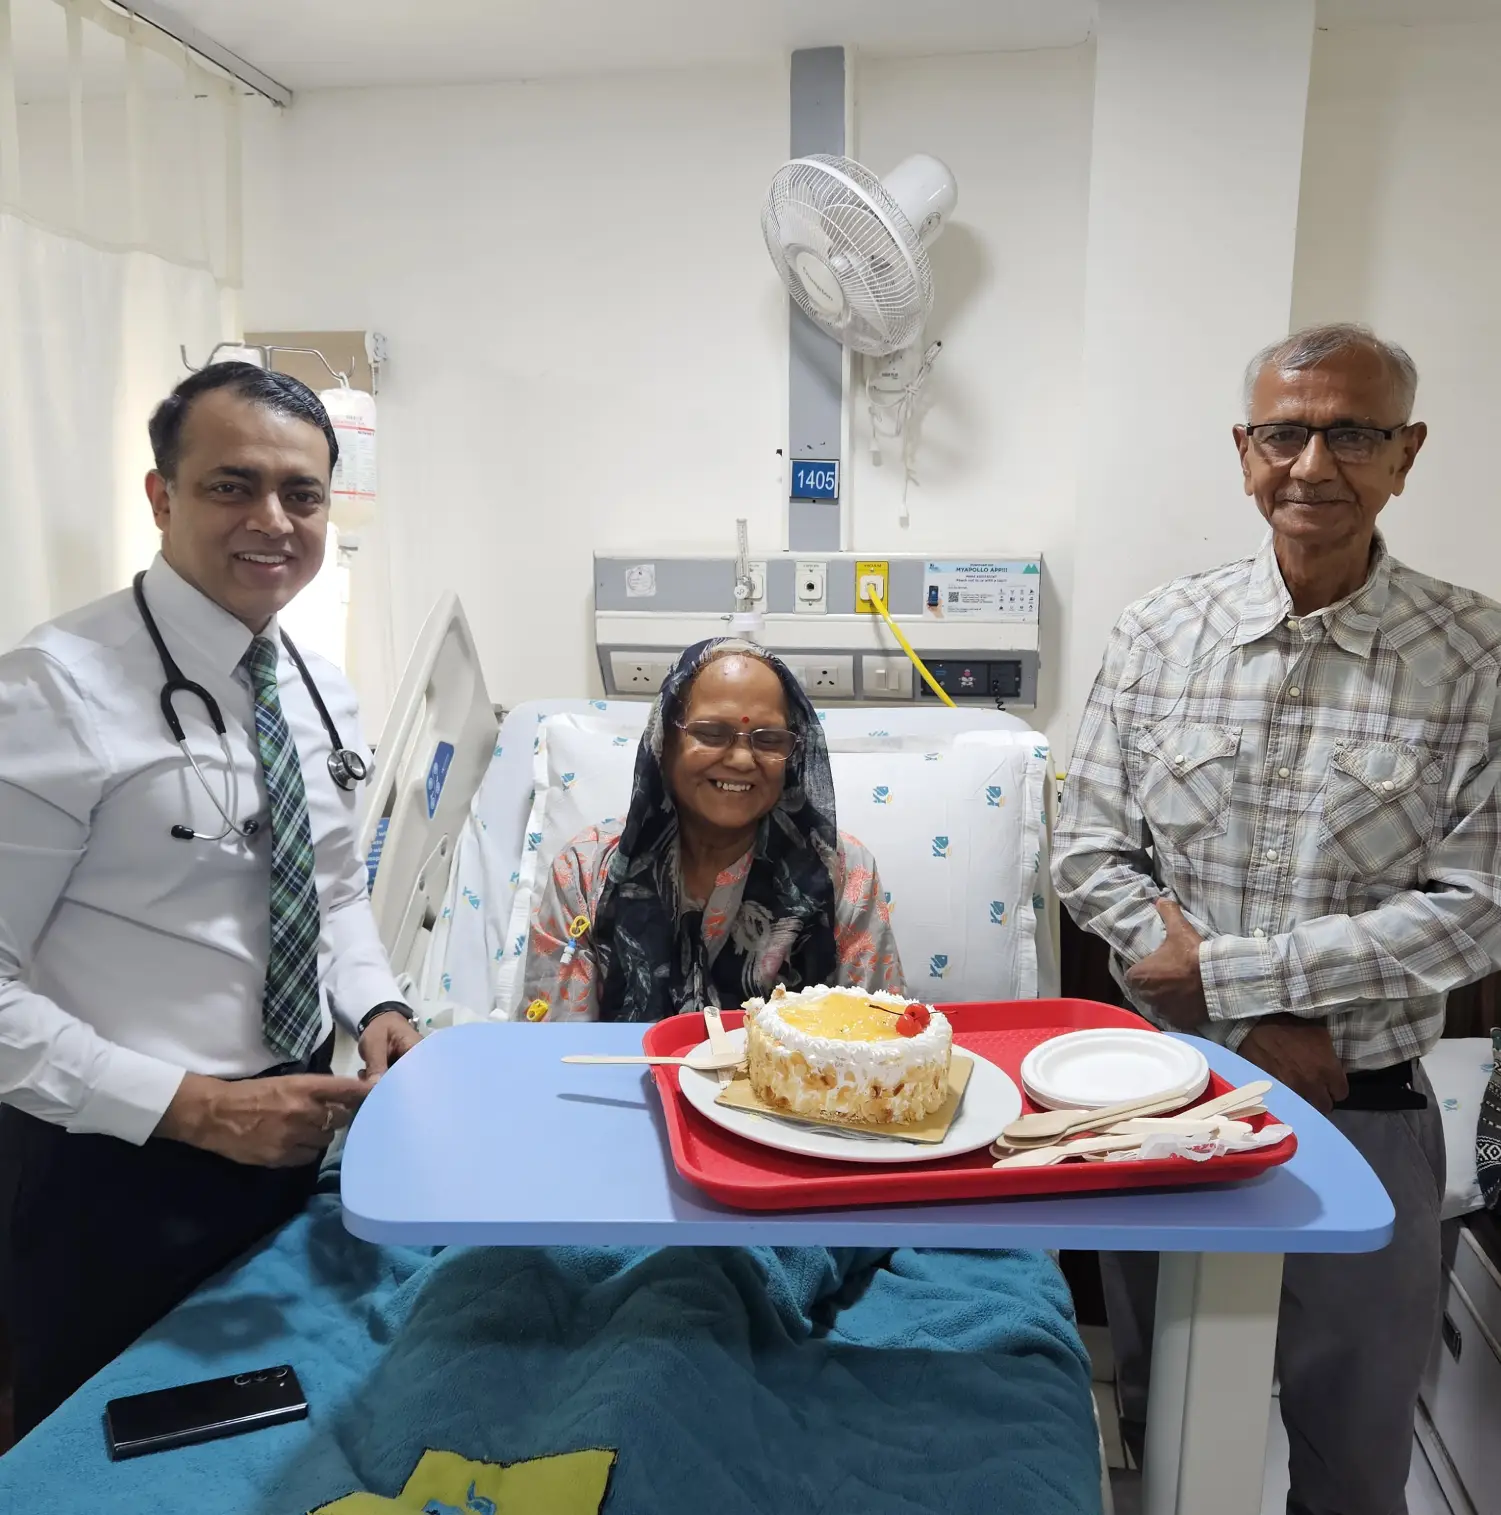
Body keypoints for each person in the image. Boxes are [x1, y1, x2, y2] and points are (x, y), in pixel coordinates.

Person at [1054, 323, 1501, 1513]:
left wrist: (1234, 980)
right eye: (1283, 434)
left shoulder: (1476, 657)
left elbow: (1474, 914)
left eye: (1351, 434)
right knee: (1163, 1418)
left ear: (1405, 453)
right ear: (1243, 450)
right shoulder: (1158, 634)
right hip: (1167, 1098)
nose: (1311, 465)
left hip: (1366, 1103)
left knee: (1355, 1447)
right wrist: (1248, 1030)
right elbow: (1086, 852)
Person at [0, 362, 420, 1433]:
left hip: (289, 1134)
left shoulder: (321, 689)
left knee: (277, 1440)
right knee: (104, 1452)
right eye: (233, 485)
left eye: (301, 493)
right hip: (114, 1156)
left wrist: (376, 1004)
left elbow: (331, 889)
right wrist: (195, 1108)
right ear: (162, 497)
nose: (272, 520)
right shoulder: (54, 688)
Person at [521, 638, 903, 1020]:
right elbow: (556, 1045)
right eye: (711, 733)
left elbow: (882, 1035)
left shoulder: (842, 874)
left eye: (769, 739)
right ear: (664, 742)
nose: (742, 759)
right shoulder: (586, 873)